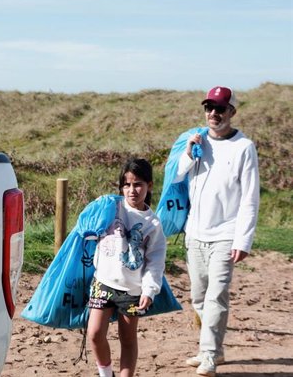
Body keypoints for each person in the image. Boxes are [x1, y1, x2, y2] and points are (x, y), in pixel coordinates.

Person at [176, 86, 260, 377]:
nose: (214, 113)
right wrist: (188, 152)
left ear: (232, 112)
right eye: (209, 107)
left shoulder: (244, 147)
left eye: (220, 108)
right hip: (195, 233)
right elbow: (175, 176)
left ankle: (209, 355)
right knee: (198, 297)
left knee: (215, 297)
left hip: (226, 234)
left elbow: (250, 197)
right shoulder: (197, 141)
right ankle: (213, 349)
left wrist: (243, 239)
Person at [87, 158, 167, 377]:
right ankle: (106, 374)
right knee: (94, 334)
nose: (132, 190)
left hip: (132, 290)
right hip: (103, 282)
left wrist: (149, 290)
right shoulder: (111, 207)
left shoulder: (153, 224)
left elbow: (156, 260)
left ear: (149, 186)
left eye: (138, 184)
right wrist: (97, 205)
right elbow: (87, 225)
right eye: (127, 184)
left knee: (128, 339)